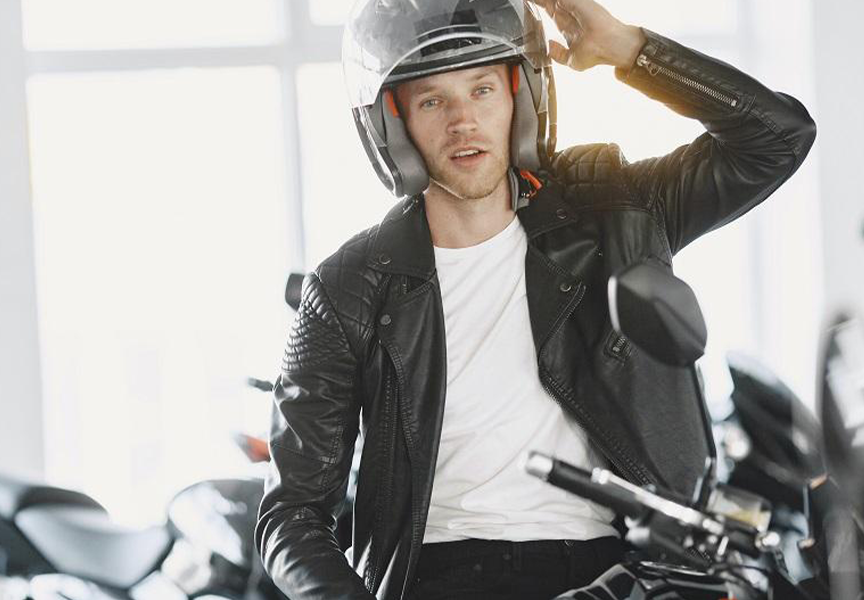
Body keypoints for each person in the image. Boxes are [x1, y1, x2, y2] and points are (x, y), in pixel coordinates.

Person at [255, 0, 816, 598]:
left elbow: (778, 138)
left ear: (521, 96)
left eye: (482, 90)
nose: (463, 122)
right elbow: (291, 514)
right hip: (442, 576)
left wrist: (630, 49)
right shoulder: (349, 286)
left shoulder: (615, 214)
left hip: (618, 573)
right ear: (394, 122)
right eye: (432, 101)